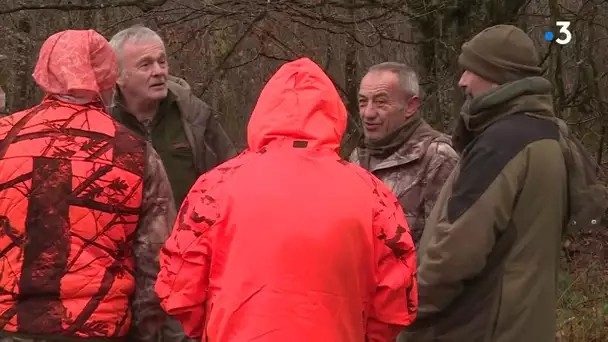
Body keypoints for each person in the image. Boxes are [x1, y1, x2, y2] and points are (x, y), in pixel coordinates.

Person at [154, 57, 418, 341]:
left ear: (264, 111)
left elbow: (178, 287)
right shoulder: (372, 194)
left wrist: (213, 328)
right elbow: (396, 299)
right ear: (333, 113)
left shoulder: (216, 186)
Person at [404, 24, 608, 342]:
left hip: (480, 327)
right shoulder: (548, 133)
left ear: (496, 74)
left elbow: (455, 255)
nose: (462, 81)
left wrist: (401, 313)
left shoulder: (501, 143)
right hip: (524, 324)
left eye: (470, 70)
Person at [0, 29, 177, 342]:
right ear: (109, 75)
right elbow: (157, 259)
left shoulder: (6, 137)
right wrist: (147, 333)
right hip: (99, 326)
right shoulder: (134, 152)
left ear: (44, 71)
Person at [108, 25, 237, 208]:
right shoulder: (102, 121)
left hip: (194, 232)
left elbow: (231, 173)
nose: (159, 71)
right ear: (118, 76)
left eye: (162, 62)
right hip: (126, 234)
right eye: (146, 65)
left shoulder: (193, 113)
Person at [350, 62, 458, 246]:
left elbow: (445, 247)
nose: (368, 113)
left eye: (381, 102)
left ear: (410, 106)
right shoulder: (357, 157)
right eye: (363, 102)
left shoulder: (437, 157)